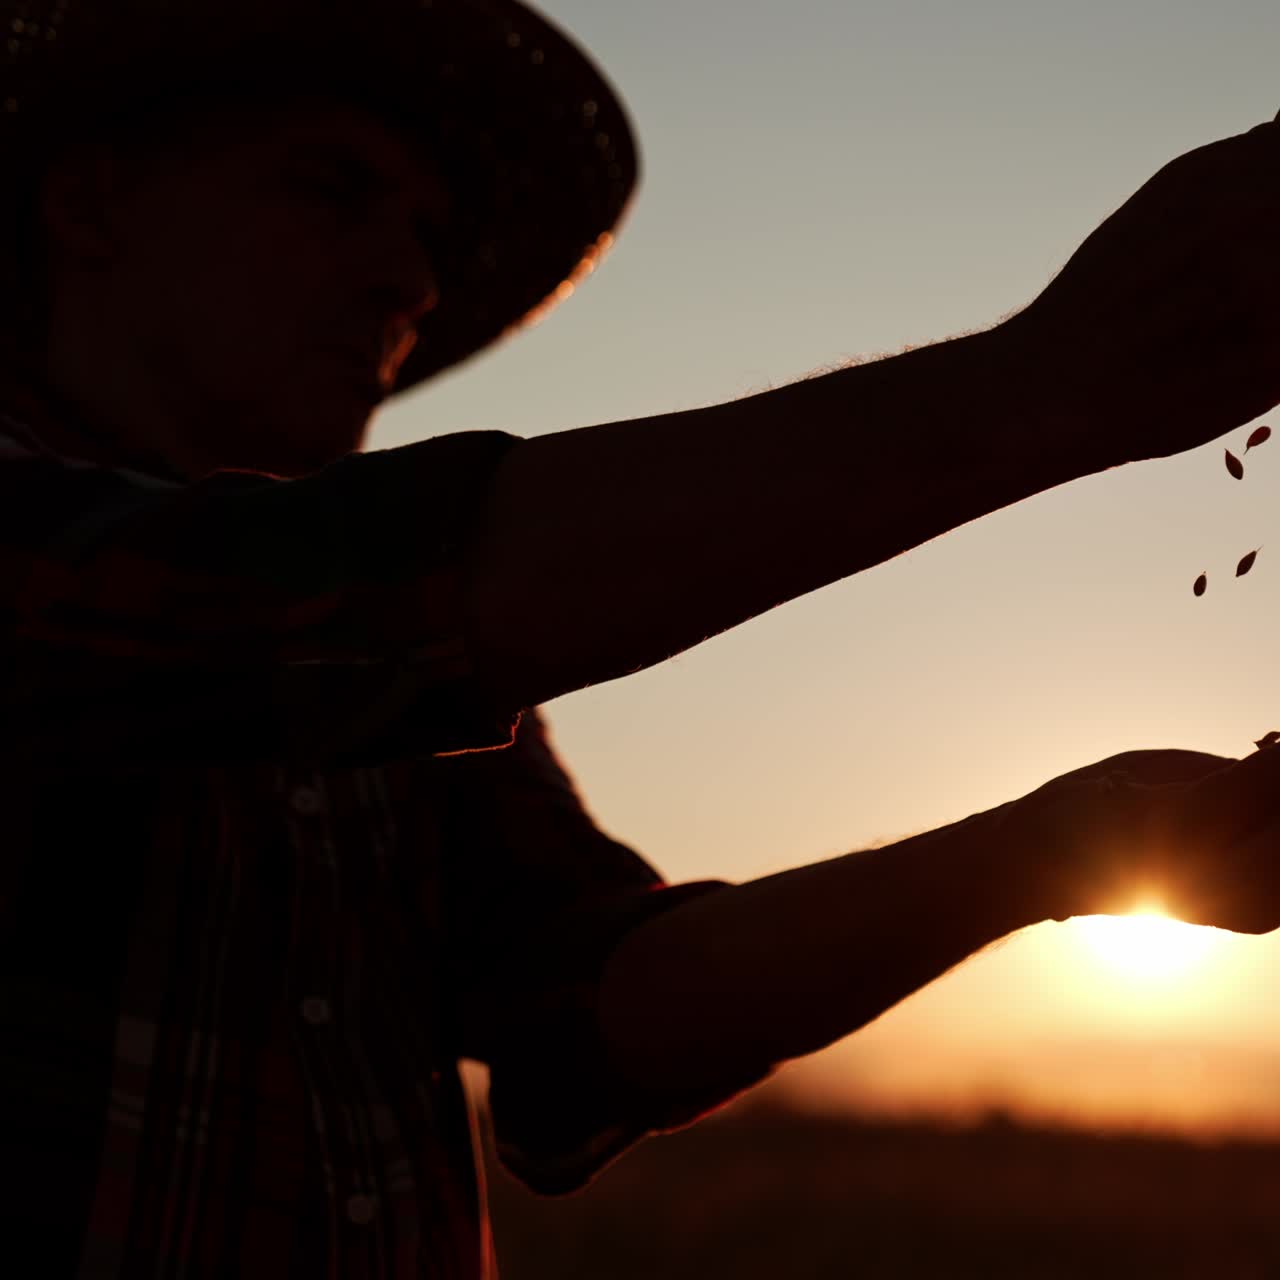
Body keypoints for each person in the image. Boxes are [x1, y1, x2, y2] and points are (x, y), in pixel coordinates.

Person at [3, 1, 1280, 1276]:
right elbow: (303, 595)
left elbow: (596, 1009)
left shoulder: (402, 683)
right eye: (333, 190)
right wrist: (1060, 381)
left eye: (428, 236)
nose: (410, 278)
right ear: (91, 203)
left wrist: (1059, 849)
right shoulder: (303, 608)